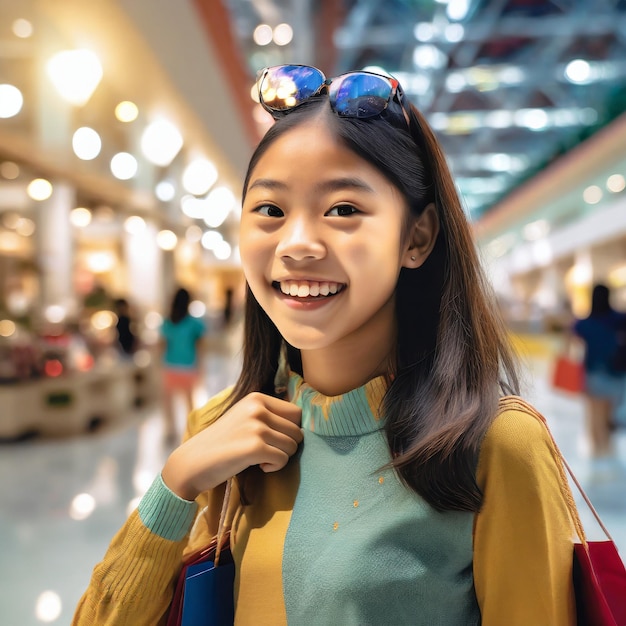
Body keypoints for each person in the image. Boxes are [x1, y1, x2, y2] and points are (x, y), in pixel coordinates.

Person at [73, 64, 578, 625]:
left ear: (418, 237)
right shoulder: (224, 433)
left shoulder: (494, 446)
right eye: (270, 210)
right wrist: (178, 480)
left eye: (343, 210)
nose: (296, 244)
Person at [572, 283, 626, 462]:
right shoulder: (619, 319)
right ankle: (609, 452)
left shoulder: (584, 323)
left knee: (595, 418)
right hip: (617, 375)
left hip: (594, 374)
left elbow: (570, 339)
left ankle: (598, 453)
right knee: (610, 418)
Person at [160, 287, 207, 442]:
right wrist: (201, 369)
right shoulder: (194, 323)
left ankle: (170, 431)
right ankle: (190, 431)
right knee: (188, 402)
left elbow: (162, 345)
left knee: (169, 402)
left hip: (170, 365)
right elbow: (200, 348)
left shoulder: (168, 322)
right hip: (188, 366)